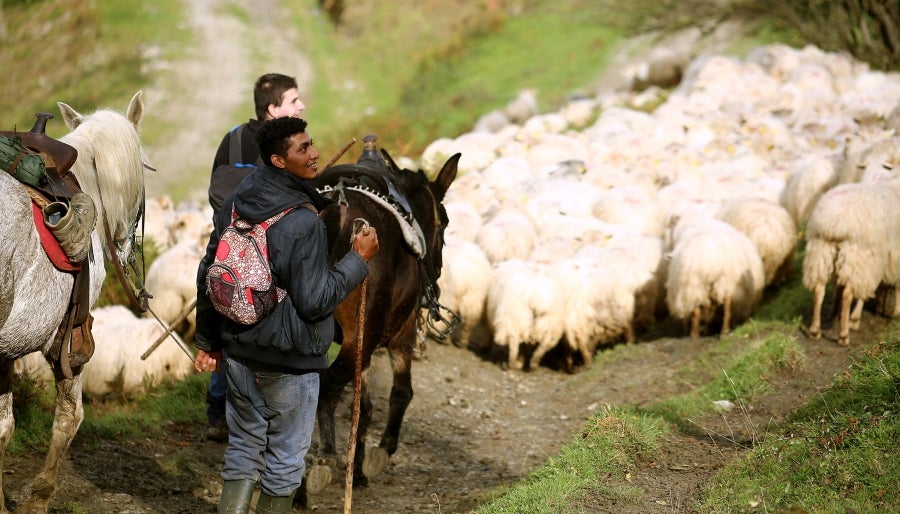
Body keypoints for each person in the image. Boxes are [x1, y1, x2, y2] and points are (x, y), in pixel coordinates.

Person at [194, 116, 379, 513]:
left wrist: (208, 342)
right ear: (279, 161)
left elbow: (208, 270)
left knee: (243, 450)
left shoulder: (236, 203)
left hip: (240, 355)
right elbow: (314, 301)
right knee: (284, 462)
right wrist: (357, 261)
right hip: (290, 364)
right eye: (303, 149)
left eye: (312, 145)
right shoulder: (302, 222)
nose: (314, 154)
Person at [205, 73, 306, 442]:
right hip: (248, 254)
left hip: (233, 247)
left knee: (232, 326)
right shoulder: (250, 143)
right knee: (239, 326)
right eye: (294, 100)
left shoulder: (238, 138)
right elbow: (221, 193)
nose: (302, 106)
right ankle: (226, 412)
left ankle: (225, 412)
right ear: (273, 108)